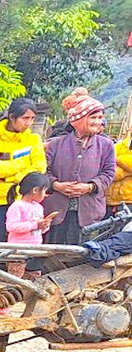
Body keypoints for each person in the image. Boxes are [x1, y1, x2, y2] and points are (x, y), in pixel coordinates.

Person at [44, 88, 116, 246]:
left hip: (89, 210)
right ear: (79, 119)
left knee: (82, 255)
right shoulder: (55, 144)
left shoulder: (106, 145)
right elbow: (44, 171)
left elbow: (109, 173)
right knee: (52, 252)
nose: (98, 122)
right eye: (93, 117)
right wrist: (56, 185)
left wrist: (90, 187)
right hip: (56, 209)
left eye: (100, 117)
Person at [0, 98, 44, 242]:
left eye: (32, 118)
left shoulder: (34, 139)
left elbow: (39, 168)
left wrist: (9, 177)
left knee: (22, 245)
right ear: (12, 117)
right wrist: (23, 163)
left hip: (25, 201)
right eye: (25, 118)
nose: (29, 123)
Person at [4, 171, 54, 278]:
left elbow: (39, 229)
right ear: (35, 190)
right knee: (15, 279)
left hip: (35, 250)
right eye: (44, 191)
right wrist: (35, 225)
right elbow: (11, 226)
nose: (45, 195)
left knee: (34, 278)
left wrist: (44, 226)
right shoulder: (17, 206)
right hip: (18, 251)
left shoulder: (39, 207)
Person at [111, 132, 132, 217]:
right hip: (111, 200)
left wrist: (119, 159)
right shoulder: (120, 146)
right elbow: (108, 169)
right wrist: (127, 171)